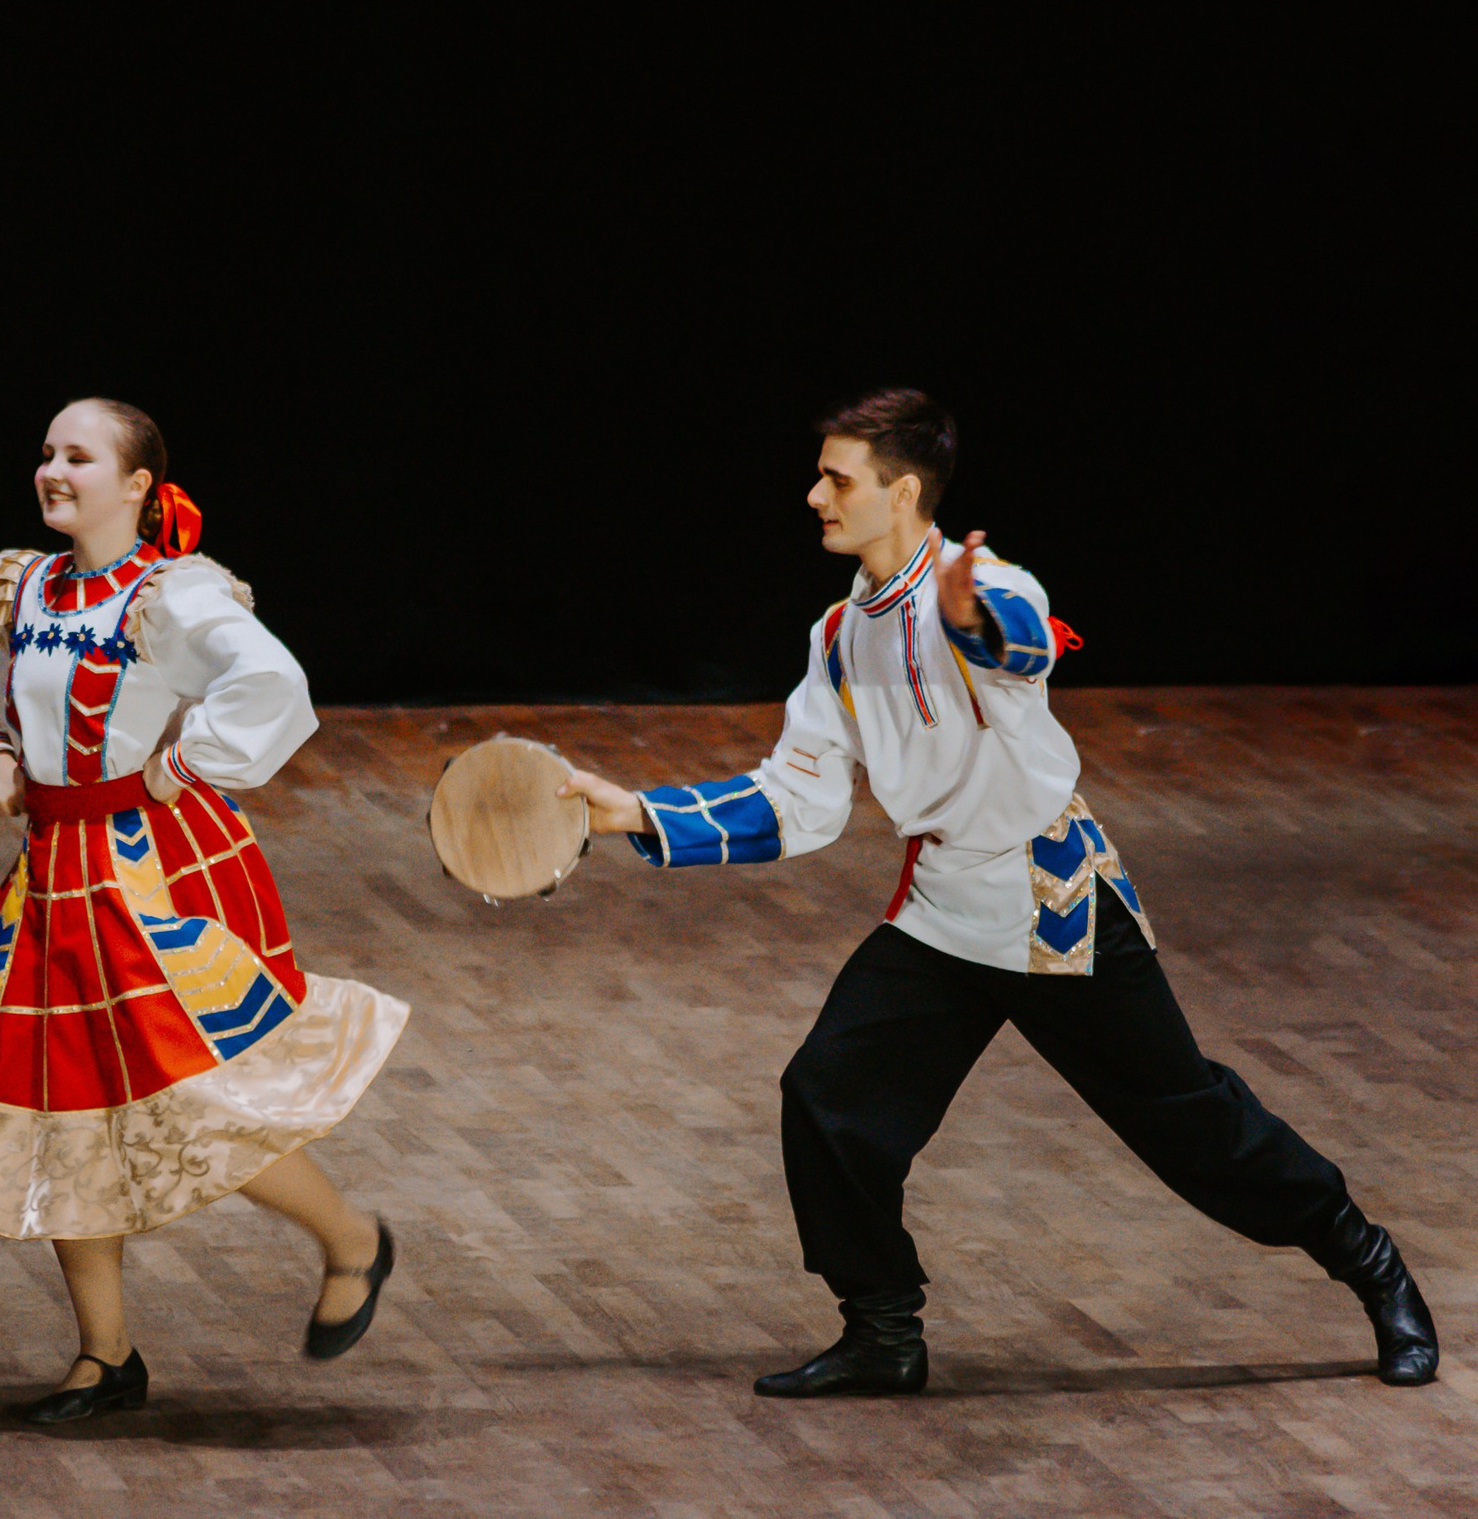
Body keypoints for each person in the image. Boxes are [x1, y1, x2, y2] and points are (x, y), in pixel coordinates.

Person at [558, 388, 1441, 1395]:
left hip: (1051, 906)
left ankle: (1366, 1258)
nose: (813, 495)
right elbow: (795, 800)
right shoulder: (840, 636)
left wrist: (971, 614)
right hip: (943, 910)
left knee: (1190, 1126)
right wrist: (634, 812)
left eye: (836, 478)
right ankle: (883, 1332)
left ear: (902, 492)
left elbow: (1019, 641)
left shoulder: (986, 588)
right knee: (828, 1098)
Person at [0, 398, 408, 1423]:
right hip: (50, 875)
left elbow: (272, 680)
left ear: (135, 485)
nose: (52, 469)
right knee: (59, 1105)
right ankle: (104, 1356)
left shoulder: (168, 595)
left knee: (195, 1096)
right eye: (45, 451)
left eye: (78, 457)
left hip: (141, 870)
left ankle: (352, 1240)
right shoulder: (26, 584)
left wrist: (178, 764)